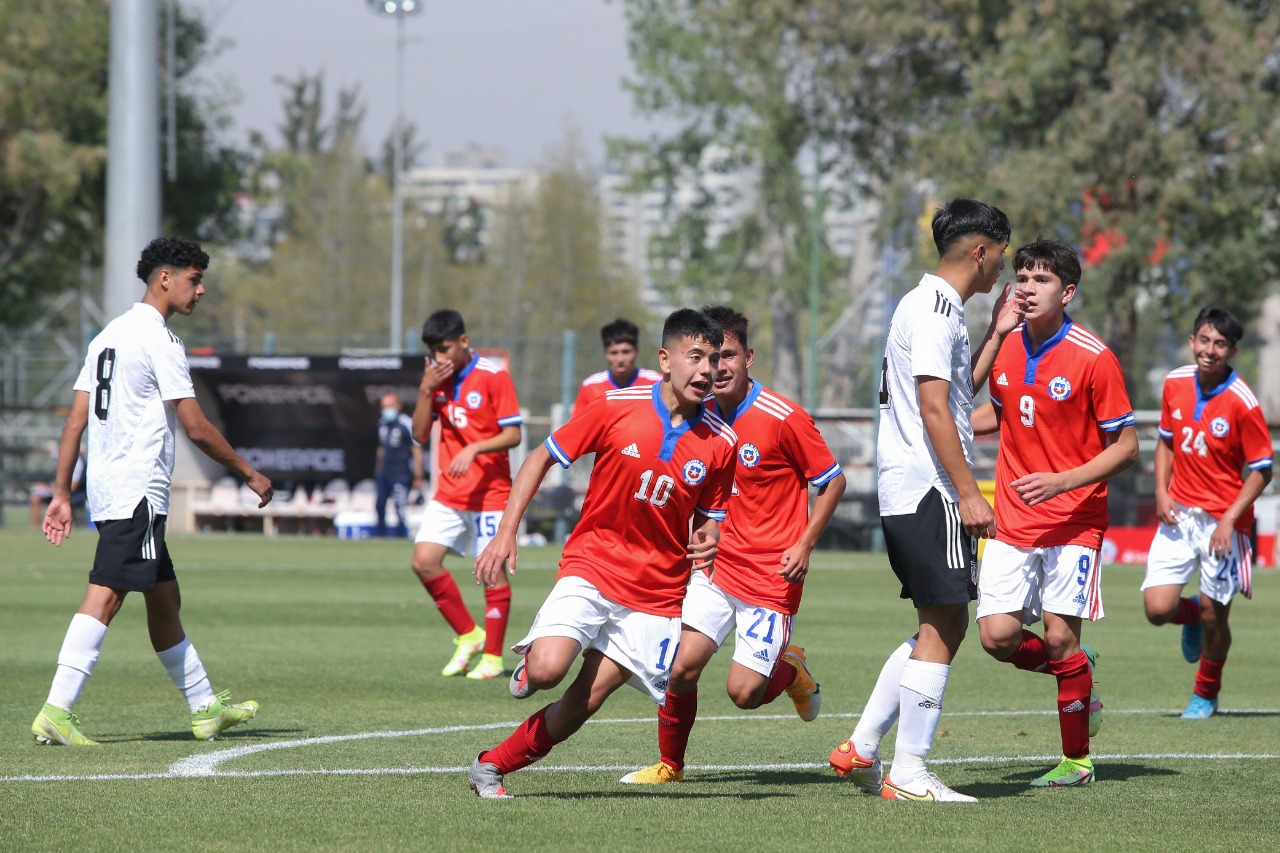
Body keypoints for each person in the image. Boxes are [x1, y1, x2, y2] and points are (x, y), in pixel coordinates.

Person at [465, 309, 736, 799]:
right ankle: (534, 663)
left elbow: (710, 516)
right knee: (547, 671)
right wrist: (506, 532)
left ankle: (490, 766)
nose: (706, 370)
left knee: (581, 704)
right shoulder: (616, 406)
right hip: (593, 565)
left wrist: (709, 533)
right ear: (665, 359)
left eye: (714, 359)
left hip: (656, 594)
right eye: (695, 356)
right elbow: (540, 456)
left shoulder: (721, 441)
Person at [32, 236, 272, 746]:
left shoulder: (107, 336)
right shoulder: (158, 339)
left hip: (108, 486)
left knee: (165, 598)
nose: (200, 290)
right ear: (165, 278)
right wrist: (248, 471)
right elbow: (197, 426)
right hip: (137, 489)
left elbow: (74, 422)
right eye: (193, 279)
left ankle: (205, 707)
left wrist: (60, 493)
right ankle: (57, 709)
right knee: (108, 593)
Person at [828, 197, 1017, 802]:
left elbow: (956, 393)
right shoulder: (935, 310)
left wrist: (996, 334)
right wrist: (969, 493)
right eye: (1001, 257)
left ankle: (861, 746)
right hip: (930, 489)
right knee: (949, 622)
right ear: (980, 251)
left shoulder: (931, 306)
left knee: (937, 622)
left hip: (908, 489)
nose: (1002, 271)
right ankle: (908, 774)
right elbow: (935, 408)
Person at [619, 305, 846, 785]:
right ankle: (671, 765)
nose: (717, 367)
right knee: (680, 668)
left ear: (749, 358)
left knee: (743, 693)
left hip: (771, 577)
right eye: (708, 357)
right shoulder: (696, 417)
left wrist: (804, 545)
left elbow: (832, 481)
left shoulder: (782, 417)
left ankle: (792, 671)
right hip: (717, 569)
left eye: (727, 356)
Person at [969, 239, 1138, 788]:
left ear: (1066, 292)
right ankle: (1077, 675)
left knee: (1062, 638)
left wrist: (1063, 480)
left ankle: (1077, 761)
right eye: (1022, 276)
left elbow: (1127, 446)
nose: (1026, 287)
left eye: (1040, 280)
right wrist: (945, 428)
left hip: (1074, 520)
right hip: (1013, 519)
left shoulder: (1094, 357)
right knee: (996, 637)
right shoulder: (1008, 346)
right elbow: (995, 411)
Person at [1141, 307, 1273, 719]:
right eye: (1203, 340)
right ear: (1193, 341)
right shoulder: (1175, 382)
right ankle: (1192, 614)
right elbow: (1165, 442)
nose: (1209, 350)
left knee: (1218, 618)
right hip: (1179, 512)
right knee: (1158, 609)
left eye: (1219, 343)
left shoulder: (1243, 402)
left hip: (1224, 523)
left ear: (1232, 350)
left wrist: (1230, 519)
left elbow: (1262, 470)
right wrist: (1161, 492)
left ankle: (1206, 692)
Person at [410, 310, 523, 681]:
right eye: (434, 352)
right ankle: (469, 635)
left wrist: (474, 449)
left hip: (491, 492)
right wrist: (426, 389)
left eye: (445, 349)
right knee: (423, 562)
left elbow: (514, 435)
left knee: (492, 573)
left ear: (463, 341)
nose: (440, 358)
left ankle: (492, 657)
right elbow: (420, 434)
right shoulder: (436, 380)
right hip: (450, 492)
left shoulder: (493, 376)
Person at [573, 317, 662, 412]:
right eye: (613, 353)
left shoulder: (658, 383)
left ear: (636, 351)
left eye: (626, 352)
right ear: (605, 353)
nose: (620, 359)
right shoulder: (590, 386)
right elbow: (579, 425)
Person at [374, 393, 423, 538]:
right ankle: (380, 536)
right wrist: (377, 470)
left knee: (400, 507)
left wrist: (418, 475)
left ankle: (400, 537)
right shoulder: (382, 423)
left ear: (398, 406)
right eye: (384, 407)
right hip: (384, 473)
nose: (386, 409)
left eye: (390, 406)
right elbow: (381, 449)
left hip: (400, 473)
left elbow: (416, 449)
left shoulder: (406, 423)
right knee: (379, 505)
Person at [30, 449, 87, 528]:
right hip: (56, 491)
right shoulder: (59, 461)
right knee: (35, 497)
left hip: (71, 494)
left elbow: (74, 485)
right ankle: (36, 527)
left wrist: (58, 491)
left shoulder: (78, 463)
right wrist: (48, 487)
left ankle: (57, 526)